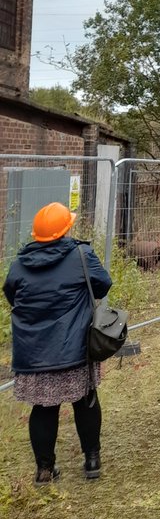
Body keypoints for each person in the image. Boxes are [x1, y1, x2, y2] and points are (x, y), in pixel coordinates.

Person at [3, 203, 112, 484]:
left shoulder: (19, 263)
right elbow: (103, 284)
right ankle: (92, 461)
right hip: (74, 347)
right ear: (65, 229)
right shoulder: (81, 254)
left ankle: (44, 470)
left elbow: (11, 294)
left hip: (33, 351)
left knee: (42, 408)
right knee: (85, 398)